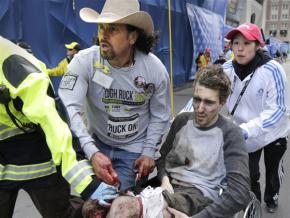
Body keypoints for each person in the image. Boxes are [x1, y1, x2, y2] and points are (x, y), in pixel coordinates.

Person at [86, 65, 251, 218]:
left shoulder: (230, 133)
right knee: (92, 208)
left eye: (208, 102)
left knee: (123, 209)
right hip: (167, 186)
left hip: (198, 196)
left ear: (222, 102)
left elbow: (239, 193)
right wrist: (165, 179)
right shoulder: (182, 121)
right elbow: (163, 158)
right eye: (196, 99)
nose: (200, 109)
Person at [59, 0, 171, 196]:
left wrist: (147, 152)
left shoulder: (155, 70)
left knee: (120, 206)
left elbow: (160, 115)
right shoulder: (84, 61)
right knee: (93, 205)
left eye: (113, 29)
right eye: (102, 27)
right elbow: (68, 109)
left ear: (132, 37)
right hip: (96, 143)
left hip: (134, 151)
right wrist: (91, 151)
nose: (104, 34)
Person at [0, 36, 120, 218]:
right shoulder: (66, 63)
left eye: (71, 49)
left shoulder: (12, 63)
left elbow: (52, 121)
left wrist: (87, 183)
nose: (69, 52)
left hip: (42, 159)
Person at [223, 22, 290, 213]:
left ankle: (272, 197)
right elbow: (205, 92)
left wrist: (246, 129)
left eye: (247, 43)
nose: (240, 48)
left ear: (258, 45)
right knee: (249, 175)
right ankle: (253, 207)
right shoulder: (226, 68)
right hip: (245, 132)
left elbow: (279, 110)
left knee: (272, 170)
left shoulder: (273, 70)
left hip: (273, 132)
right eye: (236, 42)